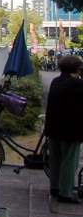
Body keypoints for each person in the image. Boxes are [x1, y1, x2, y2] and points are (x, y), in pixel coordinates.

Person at [44, 54, 83, 203]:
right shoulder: (77, 85)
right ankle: (66, 193)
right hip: (71, 130)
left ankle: (54, 187)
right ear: (77, 69)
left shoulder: (56, 81)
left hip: (53, 127)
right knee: (69, 161)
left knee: (55, 160)